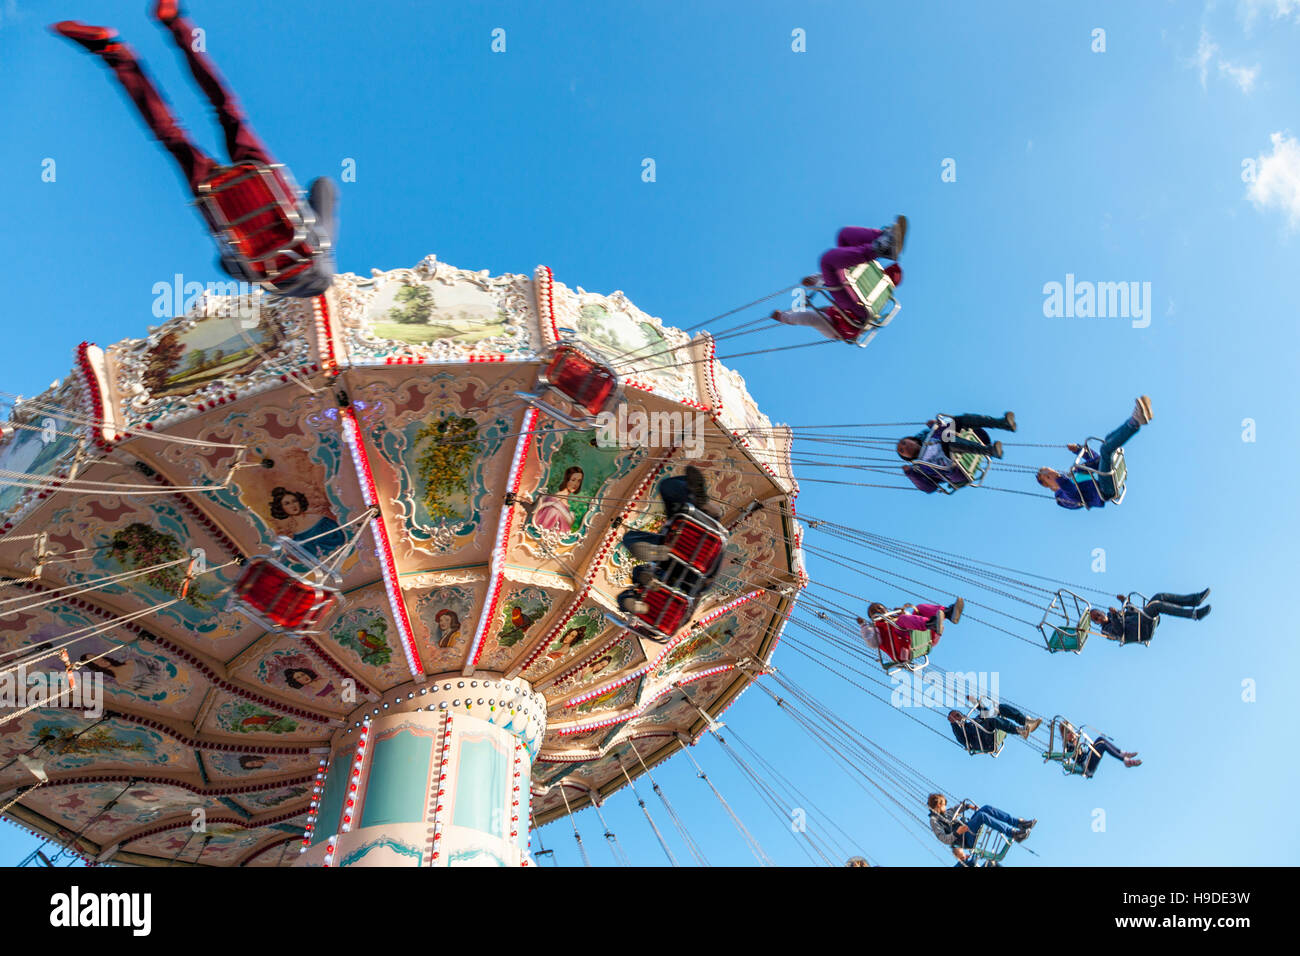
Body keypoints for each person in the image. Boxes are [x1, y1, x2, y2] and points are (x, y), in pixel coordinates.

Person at [52, 3, 336, 297]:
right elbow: (224, 263)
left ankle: (175, 23)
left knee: (226, 109)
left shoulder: (320, 250)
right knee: (171, 136)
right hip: (219, 201)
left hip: (264, 182)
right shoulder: (261, 277)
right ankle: (114, 54)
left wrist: (319, 222)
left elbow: (324, 185)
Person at [770, 219, 906, 342]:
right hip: (856, 300)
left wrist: (784, 317)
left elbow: (812, 317)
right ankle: (883, 242)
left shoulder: (835, 330)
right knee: (840, 242)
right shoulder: (877, 287)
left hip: (855, 311)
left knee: (832, 254)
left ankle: (880, 244)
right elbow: (815, 314)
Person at [1037, 397, 1152, 509]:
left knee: (1108, 442)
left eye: (1050, 471)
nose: (1052, 473)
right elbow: (1075, 497)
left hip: (1105, 477)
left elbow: (1097, 461)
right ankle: (1136, 420)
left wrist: (1079, 450)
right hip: (1104, 489)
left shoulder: (1075, 473)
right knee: (1106, 450)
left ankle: (1136, 418)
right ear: (1050, 486)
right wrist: (1058, 478)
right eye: (1048, 476)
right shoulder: (1061, 497)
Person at [898, 412, 1016, 493]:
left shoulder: (929, 436)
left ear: (912, 440)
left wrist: (935, 425)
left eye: (904, 443)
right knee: (946, 442)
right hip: (952, 470)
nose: (905, 447)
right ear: (906, 457)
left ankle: (1003, 423)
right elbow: (929, 488)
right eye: (902, 451)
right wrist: (910, 474)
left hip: (948, 445)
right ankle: (990, 451)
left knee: (958, 421)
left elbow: (943, 429)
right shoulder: (918, 467)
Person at [927, 793, 1035, 866]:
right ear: (938, 805)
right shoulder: (934, 820)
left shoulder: (946, 813)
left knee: (986, 808)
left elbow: (956, 809)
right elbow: (943, 838)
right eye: (944, 805)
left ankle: (1018, 823)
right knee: (981, 816)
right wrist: (957, 832)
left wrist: (968, 806)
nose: (946, 807)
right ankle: (1012, 833)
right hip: (965, 838)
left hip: (966, 830)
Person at [857, 598, 963, 665]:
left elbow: (912, 621)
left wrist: (903, 613)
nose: (878, 611)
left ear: (886, 610)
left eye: (880, 608)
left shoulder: (896, 617)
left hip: (924, 639)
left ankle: (948, 613)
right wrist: (864, 626)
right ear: (872, 617)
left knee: (919, 608)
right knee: (902, 620)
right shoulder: (876, 628)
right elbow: (873, 642)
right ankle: (932, 624)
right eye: (874, 611)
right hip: (902, 650)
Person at [1088, 588, 1210, 645]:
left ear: (1102, 612)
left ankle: (1195, 600)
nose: (1099, 617)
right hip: (1140, 630)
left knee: (1158, 597)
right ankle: (1194, 614)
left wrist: (1124, 601)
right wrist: (1115, 616)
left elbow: (1132, 611)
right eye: (1096, 619)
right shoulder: (1105, 630)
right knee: (1155, 606)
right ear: (1097, 623)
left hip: (1141, 620)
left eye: (1098, 614)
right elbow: (1119, 632)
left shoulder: (1117, 614)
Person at [948, 696, 1042, 753]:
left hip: (988, 731)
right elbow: (961, 739)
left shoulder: (973, 721)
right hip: (984, 742)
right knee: (991, 719)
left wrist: (974, 701)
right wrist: (954, 724)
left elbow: (986, 712)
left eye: (958, 714)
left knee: (999, 708)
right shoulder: (963, 732)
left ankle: (1026, 721)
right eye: (955, 717)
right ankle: (1020, 731)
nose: (958, 717)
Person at [1058, 721, 1141, 776]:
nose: (1072, 733)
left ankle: (1121, 752)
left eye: (1071, 730)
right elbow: (1076, 754)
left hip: (1088, 757)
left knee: (1100, 739)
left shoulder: (1075, 740)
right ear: (1064, 736)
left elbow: (1084, 749)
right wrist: (1076, 743)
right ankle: (1125, 760)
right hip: (1086, 766)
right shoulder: (1068, 745)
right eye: (1068, 732)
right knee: (1102, 746)